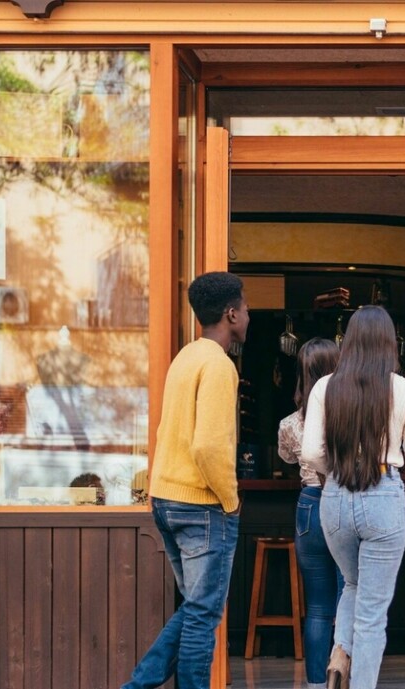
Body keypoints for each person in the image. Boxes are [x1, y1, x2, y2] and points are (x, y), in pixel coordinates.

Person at [121, 271, 249, 689]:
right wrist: (230, 500)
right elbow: (208, 448)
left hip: (166, 497)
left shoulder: (186, 357)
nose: (249, 316)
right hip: (202, 504)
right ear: (230, 314)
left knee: (196, 607)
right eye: (245, 308)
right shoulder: (218, 365)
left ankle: (138, 685)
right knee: (204, 614)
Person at [301, 305, 405, 689]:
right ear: (390, 344)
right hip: (383, 495)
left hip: (336, 497)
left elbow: (310, 454)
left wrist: (338, 470)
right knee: (373, 613)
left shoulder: (325, 387)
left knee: (353, 584)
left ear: (350, 343)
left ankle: (339, 656)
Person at [278, 337, 343, 689]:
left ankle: (317, 684)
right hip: (343, 502)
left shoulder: (290, 425)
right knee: (348, 597)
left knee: (318, 606)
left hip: (309, 505)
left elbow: (288, 458)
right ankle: (349, 676)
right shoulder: (348, 417)